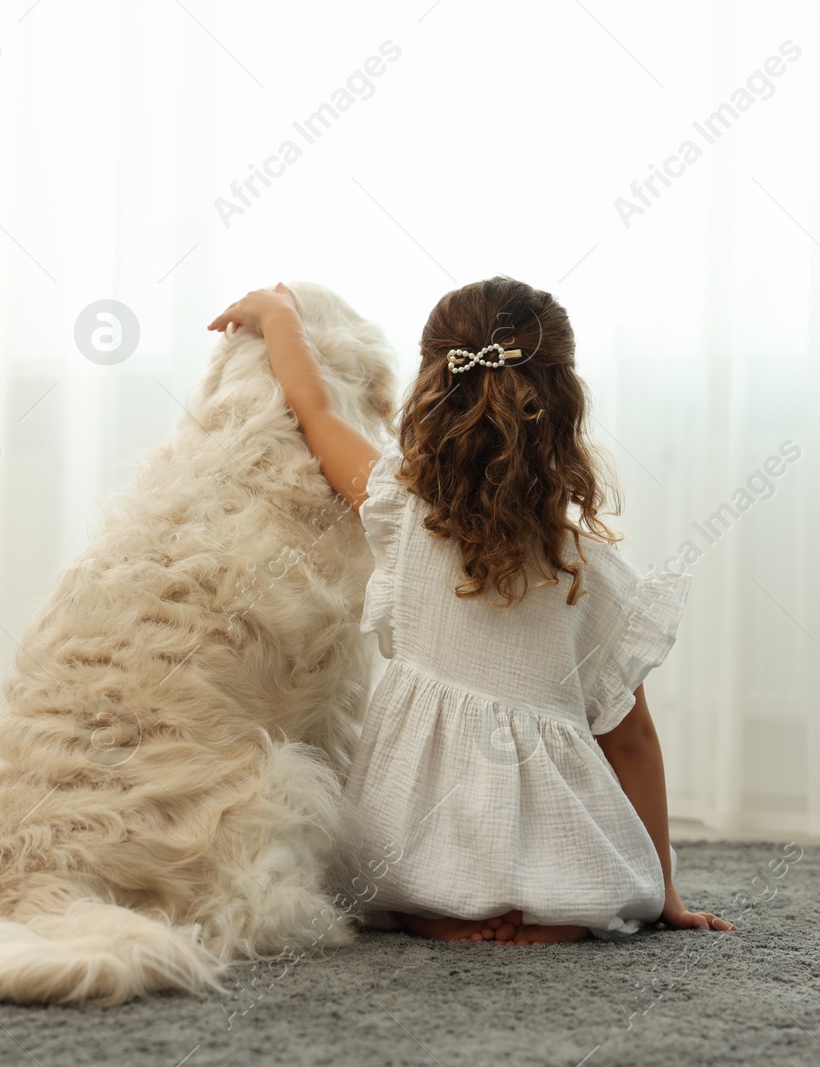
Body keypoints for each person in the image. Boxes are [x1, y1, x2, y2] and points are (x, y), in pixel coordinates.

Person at [207, 277, 735, 945]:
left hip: (412, 842)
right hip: (554, 851)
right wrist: (667, 892)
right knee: (594, 878)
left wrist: (279, 316)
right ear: (564, 404)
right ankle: (551, 912)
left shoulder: (402, 513)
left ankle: (434, 907)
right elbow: (631, 739)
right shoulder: (592, 573)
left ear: (431, 393)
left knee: (375, 869)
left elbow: (316, 416)